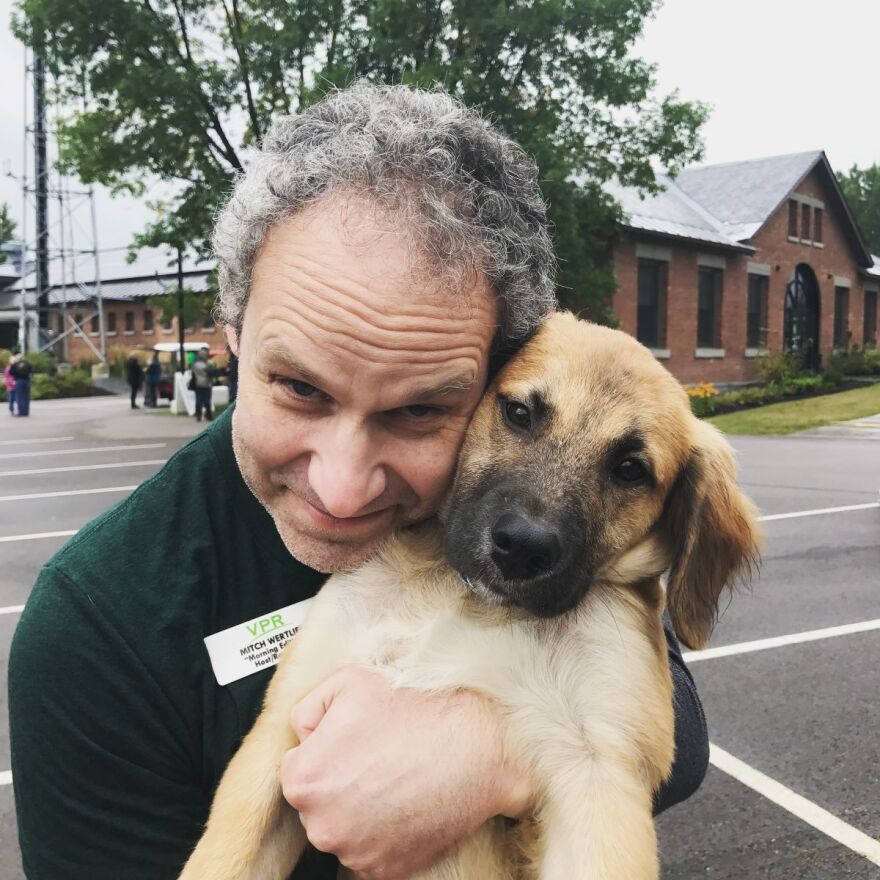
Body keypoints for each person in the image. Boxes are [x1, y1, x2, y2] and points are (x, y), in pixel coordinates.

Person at [9, 84, 709, 880]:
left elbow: (671, 718)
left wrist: (497, 750)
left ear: (485, 376)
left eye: (417, 410)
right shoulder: (95, 630)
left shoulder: (521, 526)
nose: (341, 494)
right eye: (300, 388)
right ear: (232, 333)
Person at [191, 346, 214, 421]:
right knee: (207, 401)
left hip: (198, 384)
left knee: (198, 401)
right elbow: (211, 373)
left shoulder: (195, 365)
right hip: (207, 384)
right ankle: (209, 415)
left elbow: (193, 374)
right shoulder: (208, 364)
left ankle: (198, 416)